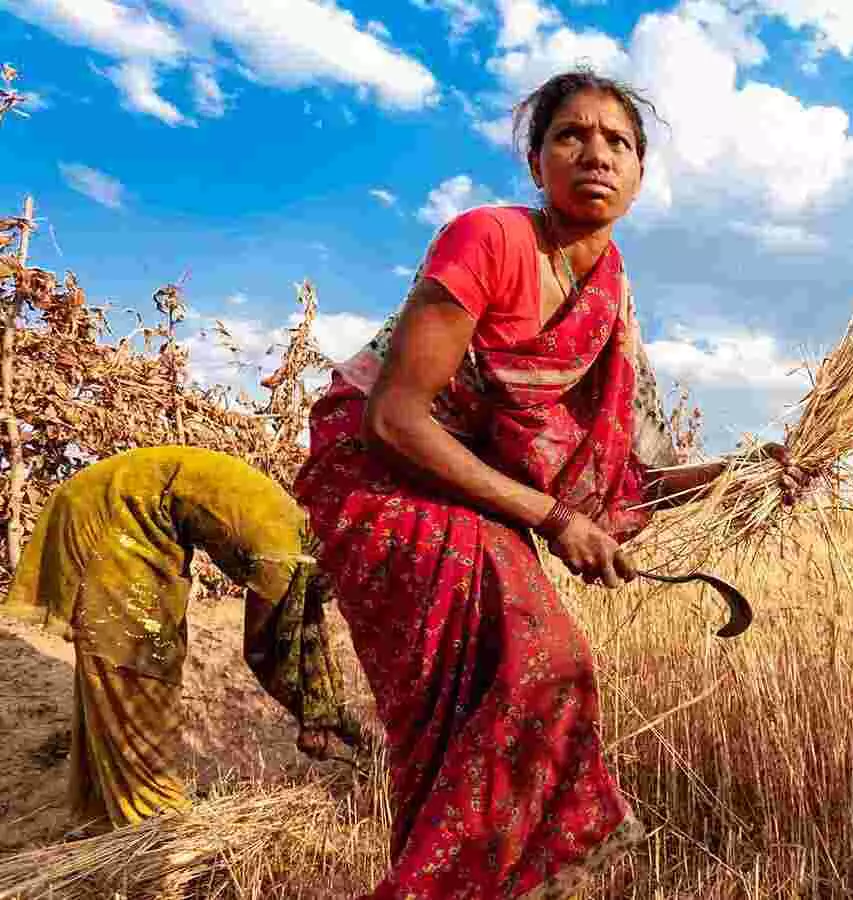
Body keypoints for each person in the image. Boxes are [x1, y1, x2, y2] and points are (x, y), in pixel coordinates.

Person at [292, 69, 805, 899]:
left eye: (619, 142)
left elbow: (633, 472)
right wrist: (556, 517)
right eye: (571, 135)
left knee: (478, 716)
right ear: (536, 164)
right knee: (542, 659)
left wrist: (753, 476)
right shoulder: (488, 239)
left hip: (473, 488)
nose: (596, 153)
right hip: (380, 471)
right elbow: (394, 417)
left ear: (641, 172)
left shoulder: (613, 293)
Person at [2, 445, 367, 831]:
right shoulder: (283, 557)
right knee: (135, 663)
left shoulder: (302, 534)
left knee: (142, 660)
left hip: (135, 515)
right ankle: (152, 822)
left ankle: (103, 817)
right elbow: (261, 651)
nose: (332, 599)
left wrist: (325, 715)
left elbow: (303, 636)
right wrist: (316, 720)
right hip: (113, 515)